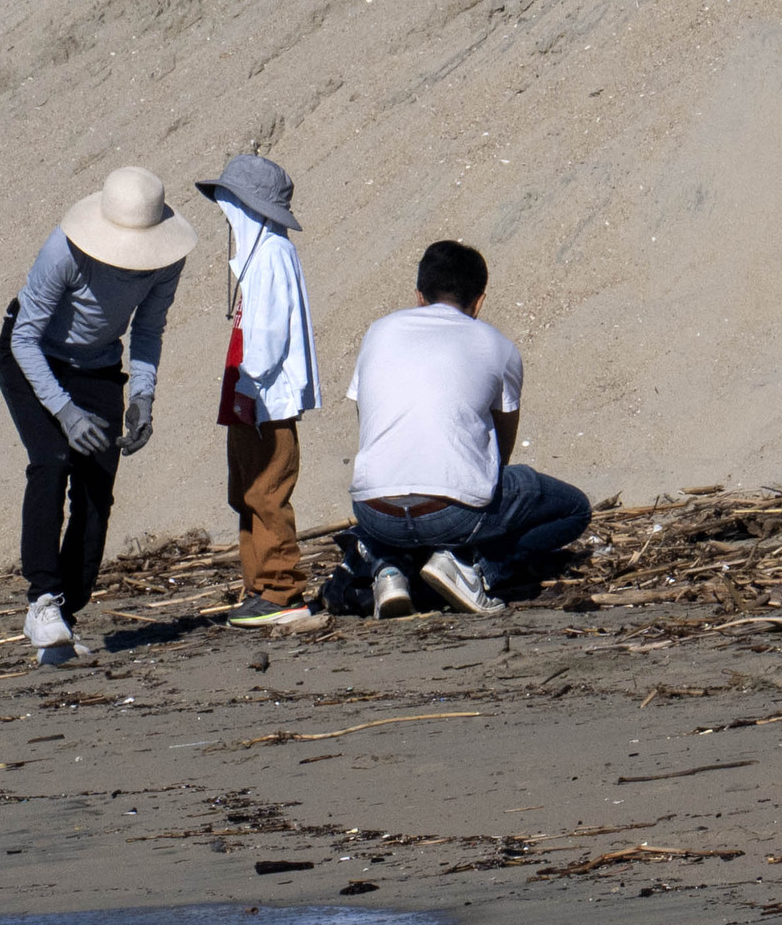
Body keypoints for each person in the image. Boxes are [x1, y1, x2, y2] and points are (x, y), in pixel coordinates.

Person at [0, 167, 186, 667]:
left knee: (97, 487)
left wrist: (143, 397)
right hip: (34, 358)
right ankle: (41, 601)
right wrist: (64, 410)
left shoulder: (166, 261)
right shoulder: (63, 250)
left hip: (99, 365)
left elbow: (148, 329)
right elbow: (23, 339)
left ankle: (66, 614)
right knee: (52, 459)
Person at [340, 242, 591, 617]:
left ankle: (388, 568)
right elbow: (501, 450)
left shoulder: (379, 331)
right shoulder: (497, 345)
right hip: (453, 514)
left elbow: (368, 422)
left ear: (418, 296)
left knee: (402, 500)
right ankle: (476, 569)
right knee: (574, 508)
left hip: (374, 511)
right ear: (480, 301)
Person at [198, 154, 324, 628]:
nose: (225, 209)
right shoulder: (263, 253)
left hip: (265, 401)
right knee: (247, 491)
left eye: (231, 200)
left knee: (267, 492)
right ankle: (260, 586)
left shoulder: (272, 254)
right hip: (250, 397)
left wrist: (248, 384)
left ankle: (281, 590)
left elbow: (267, 341)